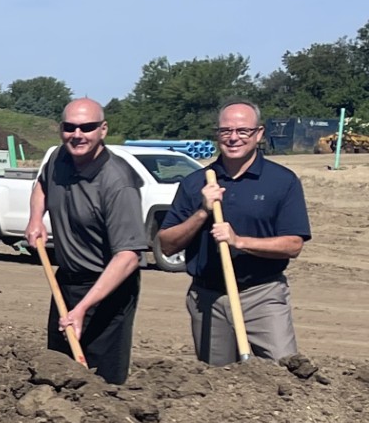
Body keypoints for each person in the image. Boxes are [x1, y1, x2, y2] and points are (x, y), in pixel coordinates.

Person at [157, 100, 311, 364]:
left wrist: (239, 241)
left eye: (243, 131)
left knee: (283, 372)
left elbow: (293, 245)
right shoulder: (196, 183)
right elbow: (167, 244)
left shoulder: (282, 181)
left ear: (259, 134)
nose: (233, 138)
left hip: (262, 294)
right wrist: (203, 212)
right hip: (208, 298)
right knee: (220, 386)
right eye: (226, 131)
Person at [25, 98, 147, 385]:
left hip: (108, 289)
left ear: (103, 130)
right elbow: (41, 185)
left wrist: (82, 309)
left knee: (102, 378)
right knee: (58, 367)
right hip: (66, 282)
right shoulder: (58, 158)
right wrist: (35, 218)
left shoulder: (117, 183)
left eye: (87, 127)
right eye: (70, 127)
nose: (77, 135)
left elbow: (129, 255)